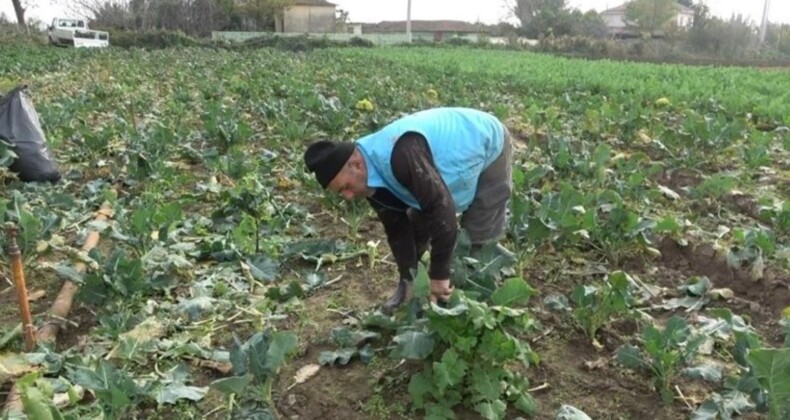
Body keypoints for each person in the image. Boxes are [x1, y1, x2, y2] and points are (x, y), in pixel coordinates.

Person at [303, 107, 513, 313]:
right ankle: (415, 288)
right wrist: (408, 280)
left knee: (478, 233)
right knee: (416, 227)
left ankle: (480, 299)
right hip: (436, 172)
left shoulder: (401, 153)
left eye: (346, 188)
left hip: (485, 141)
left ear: (356, 164)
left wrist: (439, 275)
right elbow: (396, 228)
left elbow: (442, 208)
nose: (347, 196)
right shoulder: (368, 175)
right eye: (341, 193)